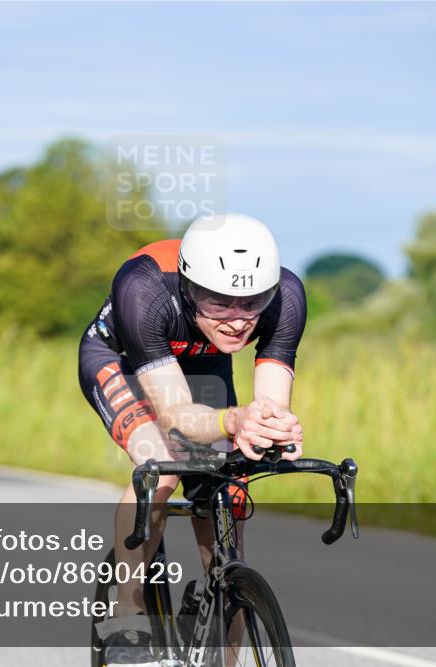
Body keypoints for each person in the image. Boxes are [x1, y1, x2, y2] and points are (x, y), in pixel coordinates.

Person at [78, 213, 308, 666]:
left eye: (251, 302)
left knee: (228, 490)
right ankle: (128, 616)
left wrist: (273, 427)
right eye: (218, 302)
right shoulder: (143, 289)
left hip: (204, 367)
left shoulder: (287, 297)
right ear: (187, 286)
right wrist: (234, 421)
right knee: (160, 459)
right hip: (124, 360)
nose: (238, 321)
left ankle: (224, 639)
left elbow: (269, 405)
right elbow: (177, 416)